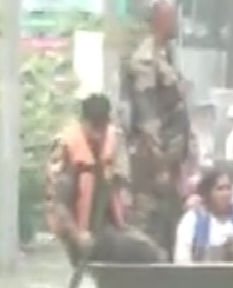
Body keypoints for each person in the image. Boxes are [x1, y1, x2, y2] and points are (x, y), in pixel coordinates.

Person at [45, 93, 162, 264]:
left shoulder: (113, 140)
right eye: (94, 127)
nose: (98, 135)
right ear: (83, 121)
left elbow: (122, 186)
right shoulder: (66, 147)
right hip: (78, 234)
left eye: (103, 127)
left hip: (107, 227)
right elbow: (59, 204)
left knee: (153, 250)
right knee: (141, 253)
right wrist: (78, 236)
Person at [126, 0, 193, 254]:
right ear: (159, 20)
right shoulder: (145, 59)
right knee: (149, 225)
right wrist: (160, 164)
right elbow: (147, 116)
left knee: (172, 224)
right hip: (154, 165)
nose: (177, 22)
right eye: (172, 16)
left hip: (172, 162)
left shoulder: (166, 54)